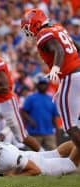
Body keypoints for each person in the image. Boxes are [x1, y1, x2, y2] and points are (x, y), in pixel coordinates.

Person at [21, 8, 80, 157]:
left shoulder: (43, 33)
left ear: (35, 24)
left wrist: (55, 68)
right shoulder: (58, 28)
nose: (28, 32)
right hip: (76, 74)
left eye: (28, 27)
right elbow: (76, 47)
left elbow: (59, 51)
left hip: (70, 77)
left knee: (70, 126)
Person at [21, 74, 60, 150]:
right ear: (37, 85)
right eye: (41, 84)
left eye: (44, 84)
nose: (43, 86)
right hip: (34, 133)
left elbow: (54, 116)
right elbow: (23, 111)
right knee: (33, 155)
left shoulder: (51, 98)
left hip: (49, 133)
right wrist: (30, 120)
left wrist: (57, 130)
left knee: (53, 154)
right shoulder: (31, 98)